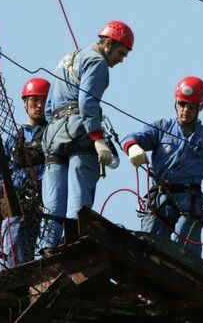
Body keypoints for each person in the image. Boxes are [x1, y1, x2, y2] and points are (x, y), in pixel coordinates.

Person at [39, 20, 134, 250]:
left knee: (53, 202)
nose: (120, 60)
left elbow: (49, 108)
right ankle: (74, 246)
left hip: (53, 136)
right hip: (78, 133)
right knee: (79, 193)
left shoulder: (67, 59)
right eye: (121, 53)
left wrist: (58, 127)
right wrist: (97, 138)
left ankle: (47, 249)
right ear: (109, 43)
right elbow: (87, 101)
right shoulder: (97, 62)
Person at [121, 76, 203, 257]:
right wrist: (133, 147)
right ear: (176, 103)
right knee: (149, 247)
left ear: (201, 107)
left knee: (186, 252)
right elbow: (130, 137)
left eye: (191, 106)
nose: (185, 110)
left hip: (189, 201)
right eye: (182, 104)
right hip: (160, 198)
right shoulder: (162, 127)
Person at [0, 77, 50, 266]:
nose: (39, 105)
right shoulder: (14, 139)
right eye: (35, 100)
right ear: (25, 103)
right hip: (14, 203)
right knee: (15, 252)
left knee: (31, 250)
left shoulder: (52, 134)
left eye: (44, 100)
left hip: (40, 200)